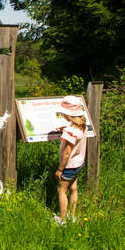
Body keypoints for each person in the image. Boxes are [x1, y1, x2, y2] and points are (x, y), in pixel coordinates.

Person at [53, 96, 87, 225]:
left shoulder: (70, 131)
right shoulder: (82, 126)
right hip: (79, 162)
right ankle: (72, 216)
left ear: (67, 113)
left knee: (61, 190)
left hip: (69, 165)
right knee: (74, 189)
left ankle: (62, 220)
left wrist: (60, 169)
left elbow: (67, 152)